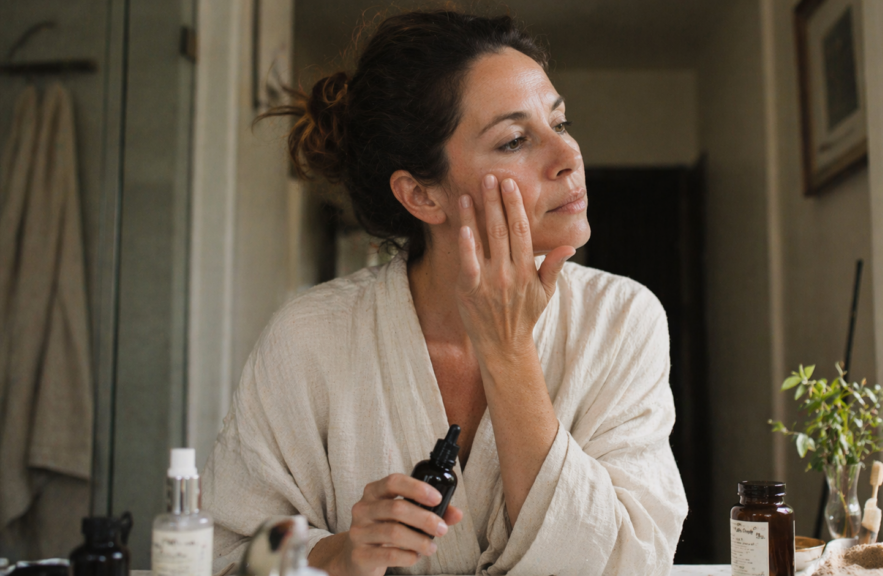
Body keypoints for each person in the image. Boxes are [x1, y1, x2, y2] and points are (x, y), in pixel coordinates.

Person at [201, 10, 687, 576]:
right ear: (422, 195)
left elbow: (634, 560)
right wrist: (335, 552)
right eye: (514, 141)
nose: (568, 157)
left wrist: (509, 353)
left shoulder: (622, 320)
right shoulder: (310, 337)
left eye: (560, 122)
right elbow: (223, 552)